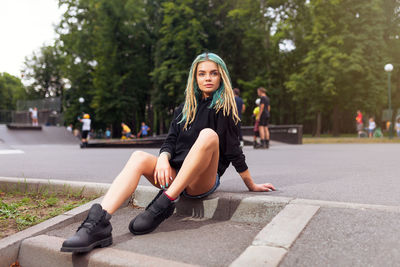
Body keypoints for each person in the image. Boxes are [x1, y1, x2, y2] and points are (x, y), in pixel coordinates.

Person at [60, 52, 276, 253]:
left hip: (202, 180)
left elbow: (233, 151)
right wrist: (163, 158)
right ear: (195, 77)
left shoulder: (226, 108)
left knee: (209, 135)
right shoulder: (183, 109)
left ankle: (163, 204)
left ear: (222, 77)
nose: (208, 78)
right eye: (202, 74)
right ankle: (97, 224)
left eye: (213, 73)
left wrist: (251, 184)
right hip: (174, 173)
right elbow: (171, 140)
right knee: (138, 157)